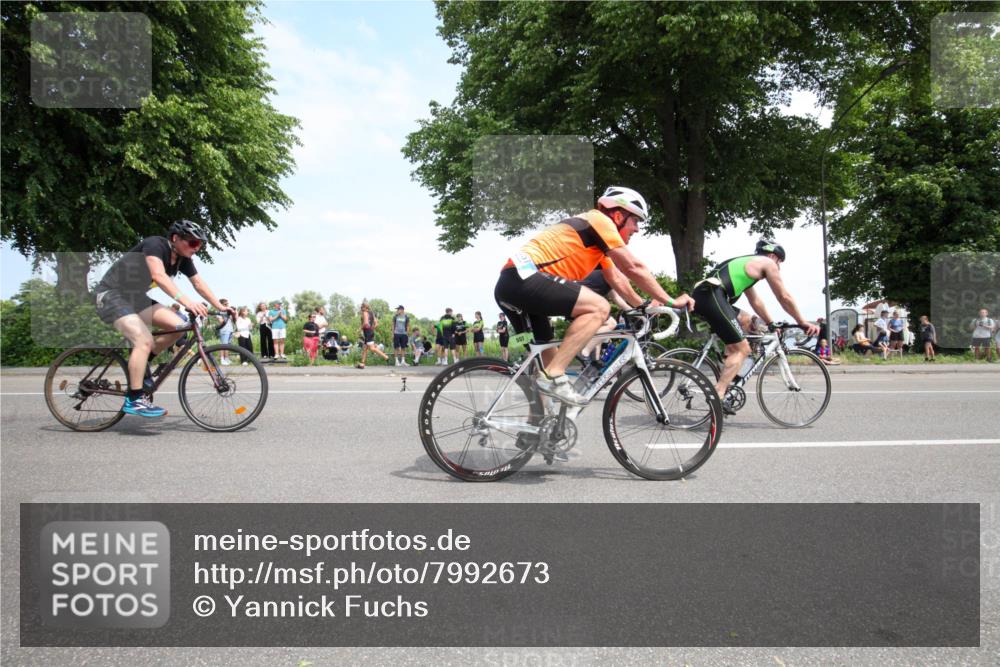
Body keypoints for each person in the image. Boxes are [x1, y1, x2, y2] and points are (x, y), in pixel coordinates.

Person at [494, 185, 693, 405]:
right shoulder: (599, 220)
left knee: (547, 354)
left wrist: (643, 306)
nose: (637, 229)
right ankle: (554, 376)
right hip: (525, 279)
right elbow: (633, 267)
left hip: (512, 285)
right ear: (618, 216)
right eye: (635, 221)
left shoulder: (597, 245)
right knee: (599, 308)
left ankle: (536, 428)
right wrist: (672, 301)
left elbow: (617, 279)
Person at [93, 220, 232, 418]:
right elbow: (158, 275)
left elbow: (199, 283)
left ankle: (142, 365)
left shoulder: (183, 259)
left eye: (200, 244)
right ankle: (134, 399)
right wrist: (187, 303)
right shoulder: (154, 245)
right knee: (143, 340)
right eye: (193, 243)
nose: (197, 248)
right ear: (175, 238)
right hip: (111, 295)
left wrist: (220, 307)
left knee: (180, 327)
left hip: (135, 298)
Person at [690, 240, 820, 412]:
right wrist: (802, 321)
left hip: (706, 296)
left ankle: (730, 375)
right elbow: (784, 297)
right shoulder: (767, 263)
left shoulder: (747, 264)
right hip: (713, 297)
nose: (778, 267)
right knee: (743, 350)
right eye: (779, 263)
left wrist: (771, 323)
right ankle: (718, 394)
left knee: (747, 321)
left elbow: (755, 301)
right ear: (774, 256)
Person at [358, 301, 389, 368]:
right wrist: (372, 329)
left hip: (367, 332)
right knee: (365, 348)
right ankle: (362, 363)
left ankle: (385, 357)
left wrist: (360, 329)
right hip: (370, 332)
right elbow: (376, 323)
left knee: (372, 348)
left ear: (364, 307)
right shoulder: (371, 313)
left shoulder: (365, 313)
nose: (361, 308)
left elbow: (366, 323)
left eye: (362, 307)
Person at [216, 298, 235, 365]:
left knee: (228, 345)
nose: (227, 305)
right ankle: (222, 359)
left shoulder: (228, 312)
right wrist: (226, 316)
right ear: (221, 305)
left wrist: (232, 313)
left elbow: (233, 320)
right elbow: (221, 321)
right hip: (224, 330)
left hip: (230, 329)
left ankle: (227, 358)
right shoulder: (219, 312)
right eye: (225, 304)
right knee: (223, 345)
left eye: (227, 304)